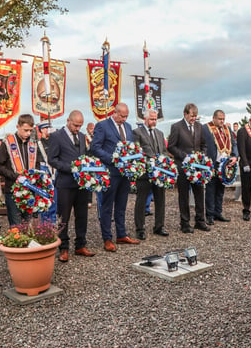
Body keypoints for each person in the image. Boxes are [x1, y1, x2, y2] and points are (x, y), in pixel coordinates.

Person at [47, 110, 96, 262]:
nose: (77, 128)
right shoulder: (56, 136)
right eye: (75, 125)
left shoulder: (82, 136)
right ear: (68, 121)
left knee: (82, 215)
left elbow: (84, 156)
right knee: (64, 217)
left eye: (80, 126)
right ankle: (63, 248)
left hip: (81, 184)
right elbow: (52, 159)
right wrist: (71, 168)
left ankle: (81, 245)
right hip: (65, 184)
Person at [90, 103, 140, 250]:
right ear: (115, 113)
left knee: (122, 205)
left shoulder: (129, 127)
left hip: (125, 173)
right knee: (106, 206)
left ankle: (121, 234)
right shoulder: (103, 126)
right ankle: (107, 238)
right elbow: (95, 148)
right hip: (110, 172)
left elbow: (130, 147)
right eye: (122, 116)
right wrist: (113, 158)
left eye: (126, 116)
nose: (124, 119)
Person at [0, 114, 42, 226]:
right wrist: (15, 176)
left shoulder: (33, 144)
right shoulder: (7, 143)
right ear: (18, 126)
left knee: (27, 224)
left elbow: (37, 164)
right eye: (25, 130)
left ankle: (27, 243)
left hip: (30, 190)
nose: (28, 134)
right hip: (12, 190)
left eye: (30, 131)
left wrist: (35, 176)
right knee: (16, 225)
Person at [168, 103, 209, 232]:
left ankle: (200, 220)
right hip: (183, 167)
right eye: (192, 116)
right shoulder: (176, 127)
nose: (194, 118)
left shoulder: (199, 127)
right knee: (184, 196)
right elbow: (171, 146)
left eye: (195, 116)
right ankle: (185, 223)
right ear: (185, 114)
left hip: (197, 167)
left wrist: (202, 156)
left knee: (199, 194)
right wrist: (184, 156)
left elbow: (204, 145)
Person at [133, 109, 170, 238]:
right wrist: (150, 163)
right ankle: (140, 229)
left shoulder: (159, 133)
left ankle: (159, 226)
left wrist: (163, 163)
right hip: (144, 174)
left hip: (159, 173)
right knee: (141, 201)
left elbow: (164, 151)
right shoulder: (137, 133)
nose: (154, 121)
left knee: (160, 199)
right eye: (151, 119)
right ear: (145, 119)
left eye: (155, 119)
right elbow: (137, 152)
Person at [202, 109, 238, 224]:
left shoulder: (227, 129)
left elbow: (234, 144)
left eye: (223, 119)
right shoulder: (206, 128)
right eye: (220, 119)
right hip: (212, 163)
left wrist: (235, 156)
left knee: (221, 190)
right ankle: (209, 215)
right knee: (210, 189)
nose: (222, 121)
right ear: (214, 118)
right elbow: (201, 144)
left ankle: (218, 212)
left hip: (225, 164)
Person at [36, 122, 57, 224]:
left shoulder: (55, 142)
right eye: (45, 128)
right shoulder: (38, 144)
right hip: (44, 171)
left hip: (54, 172)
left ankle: (52, 224)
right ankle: (44, 225)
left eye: (49, 127)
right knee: (44, 200)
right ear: (41, 130)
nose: (47, 130)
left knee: (54, 200)